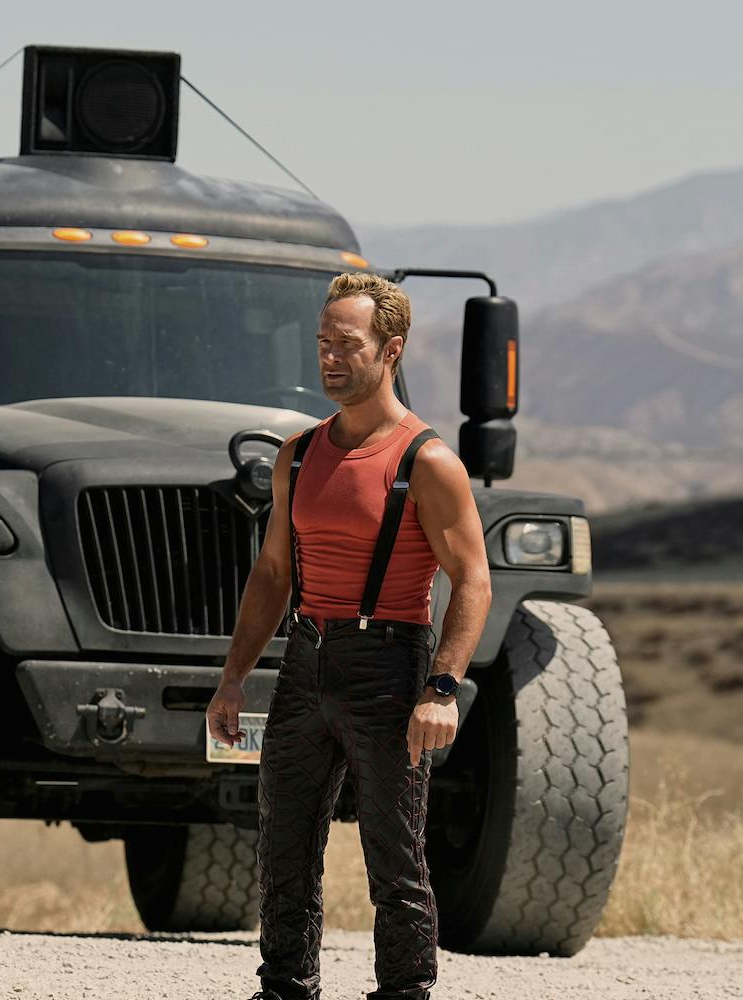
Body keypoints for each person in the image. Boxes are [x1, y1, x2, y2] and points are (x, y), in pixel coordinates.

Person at [206, 273, 492, 1000]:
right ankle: (285, 989)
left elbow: (474, 581)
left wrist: (441, 689)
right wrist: (234, 677)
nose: (330, 357)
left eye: (348, 344)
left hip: (391, 669)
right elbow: (272, 574)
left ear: (391, 349)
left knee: (394, 860)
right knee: (283, 846)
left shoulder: (426, 462)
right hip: (307, 660)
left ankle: (405, 993)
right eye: (322, 342)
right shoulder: (297, 455)